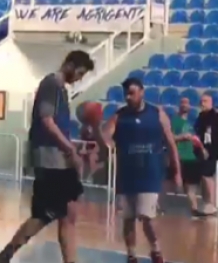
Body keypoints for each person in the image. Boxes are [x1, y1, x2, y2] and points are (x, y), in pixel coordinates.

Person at [0, 50, 94, 263]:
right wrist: (70, 149)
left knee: (68, 213)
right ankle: (5, 254)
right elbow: (47, 121)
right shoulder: (51, 84)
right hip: (50, 161)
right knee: (45, 215)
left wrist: (73, 147)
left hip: (61, 161)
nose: (80, 78)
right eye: (80, 73)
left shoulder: (62, 90)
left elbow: (59, 129)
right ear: (70, 64)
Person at [90, 77, 179, 263]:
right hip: (126, 175)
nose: (128, 97)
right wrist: (96, 128)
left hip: (150, 174)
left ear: (142, 92)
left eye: (132, 93)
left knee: (147, 216)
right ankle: (131, 255)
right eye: (126, 94)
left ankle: (156, 250)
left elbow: (171, 142)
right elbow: (106, 142)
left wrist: (177, 171)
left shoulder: (157, 114)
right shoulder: (119, 116)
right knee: (128, 218)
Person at [169, 97, 203, 215]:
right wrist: (182, 137)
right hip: (178, 156)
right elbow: (169, 137)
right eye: (182, 103)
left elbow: (194, 138)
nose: (184, 105)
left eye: (187, 103)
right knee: (169, 182)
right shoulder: (175, 121)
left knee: (190, 186)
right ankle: (156, 206)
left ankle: (194, 209)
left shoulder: (190, 123)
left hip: (190, 156)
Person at [194, 93, 218, 216]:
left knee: (207, 176)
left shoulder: (214, 117)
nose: (202, 103)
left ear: (211, 102)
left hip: (211, 151)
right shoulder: (201, 116)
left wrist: (208, 149)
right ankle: (206, 201)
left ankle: (212, 203)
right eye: (201, 101)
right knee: (203, 177)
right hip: (201, 150)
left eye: (205, 101)